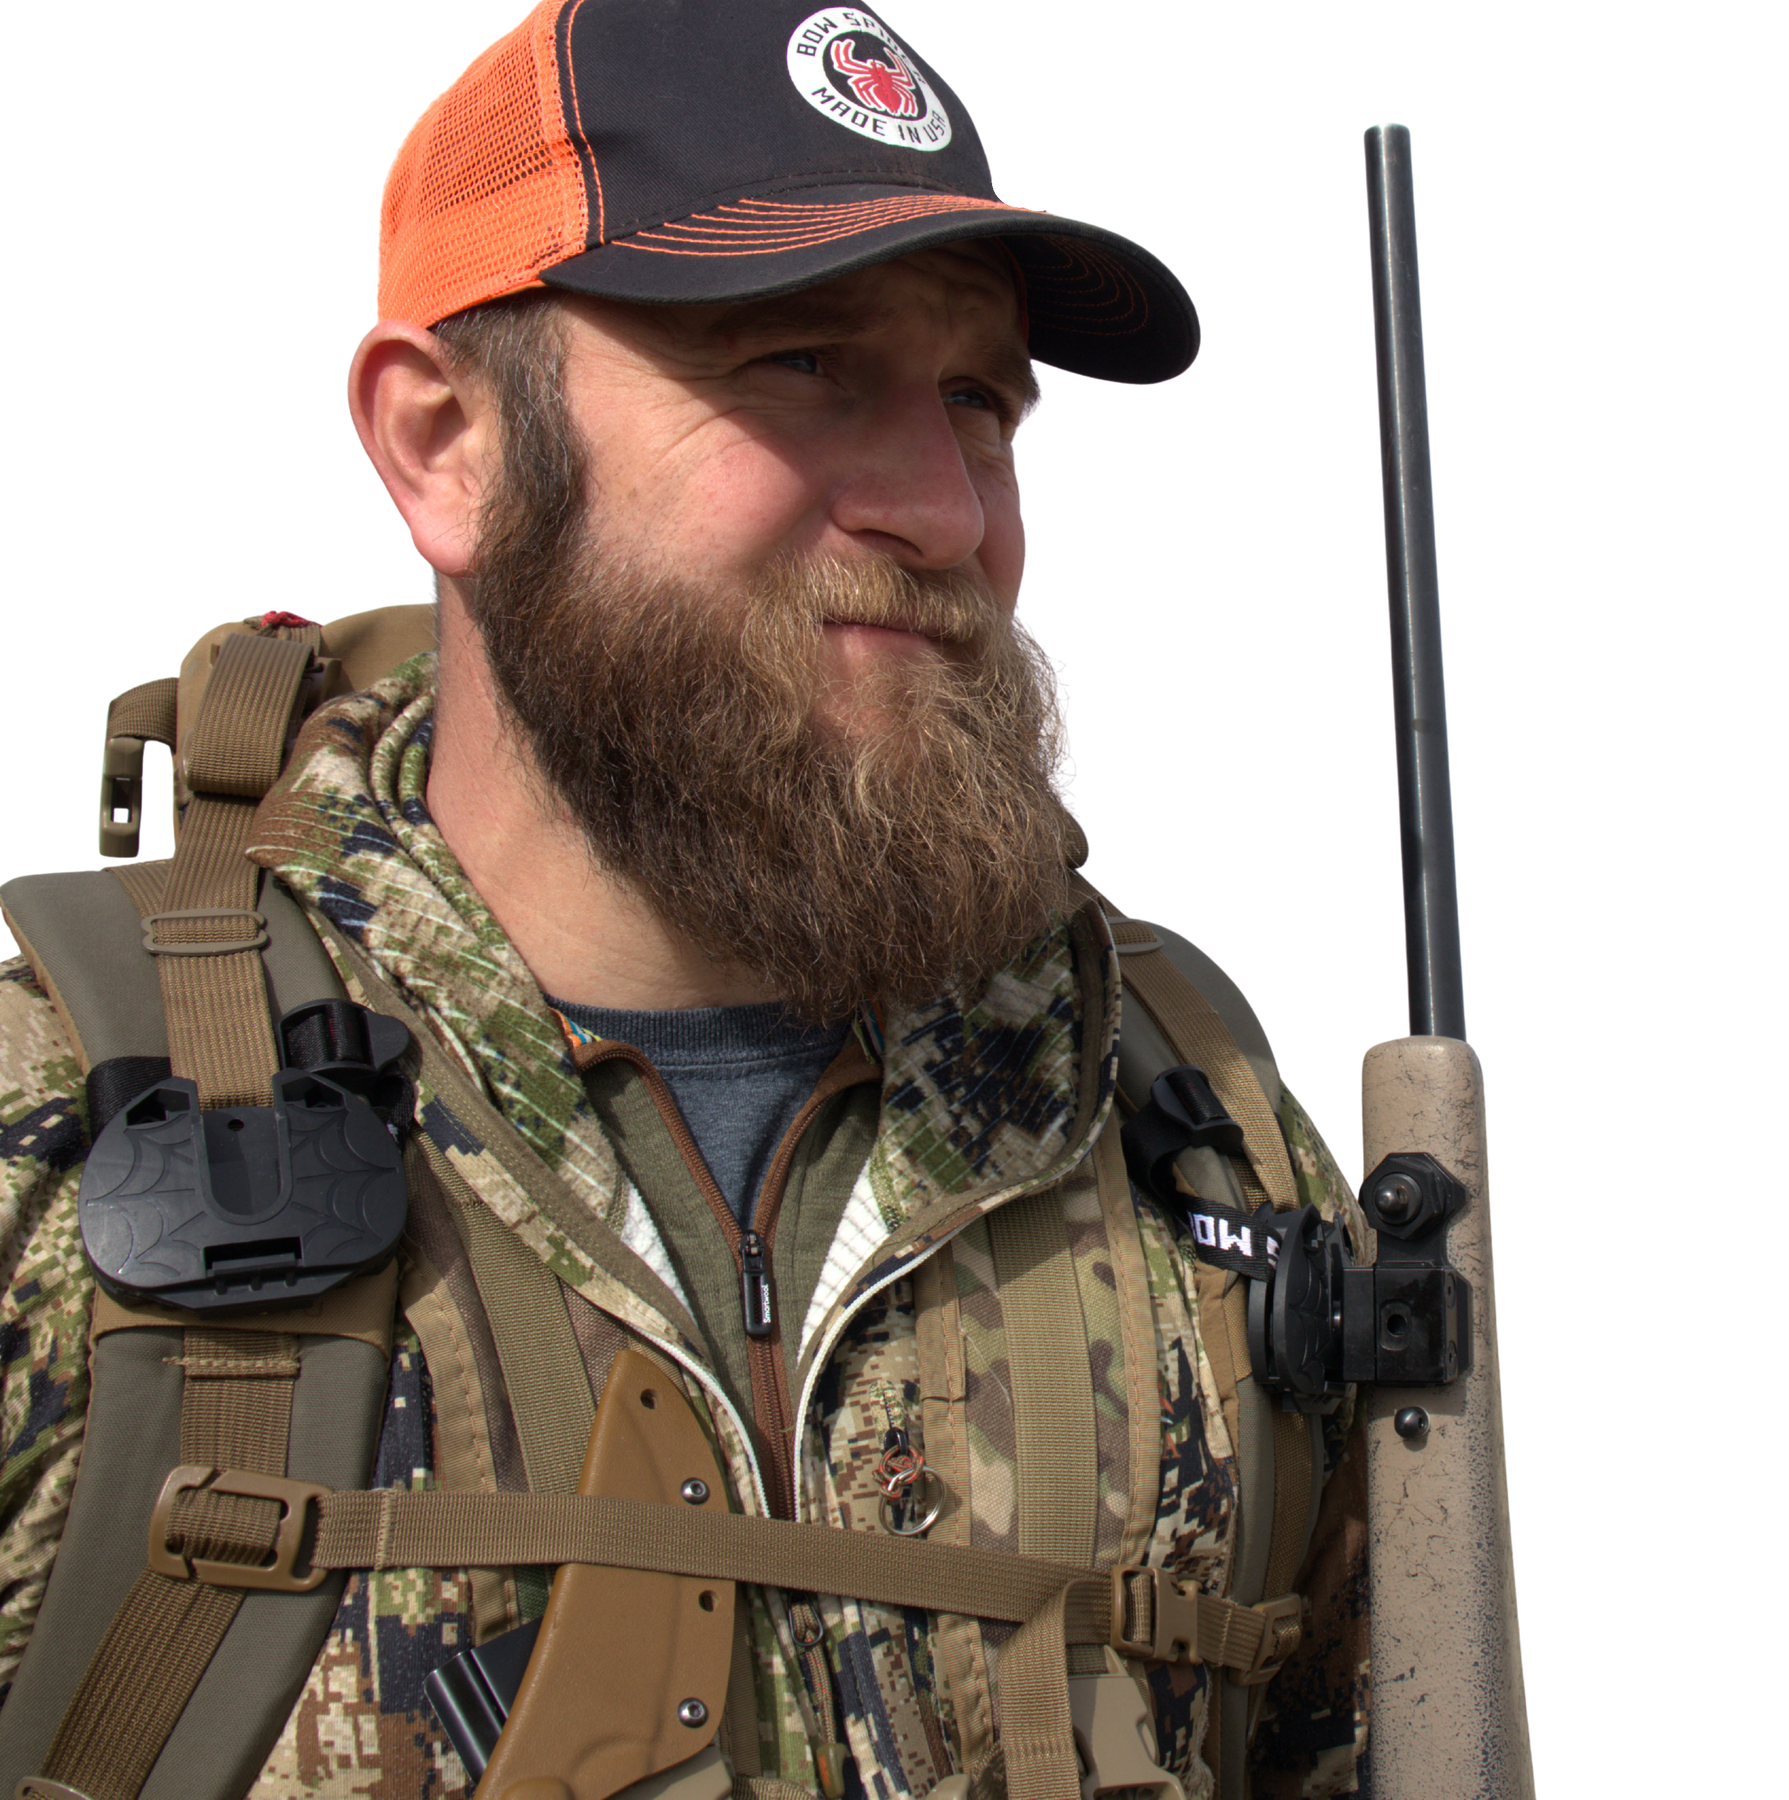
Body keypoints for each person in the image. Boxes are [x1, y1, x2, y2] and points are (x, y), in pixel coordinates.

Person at [0, 4, 1372, 1796]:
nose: (942, 511)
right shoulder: (62, 1116)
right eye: (800, 362)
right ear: (445, 444)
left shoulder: (1190, 1121)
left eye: (979, 401)